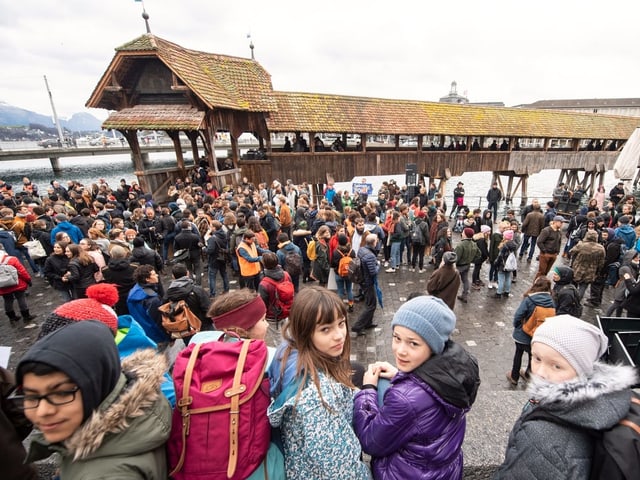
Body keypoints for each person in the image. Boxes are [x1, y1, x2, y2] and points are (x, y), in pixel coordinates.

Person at [16, 321, 171, 479]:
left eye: (62, 393)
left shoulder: (106, 474)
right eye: (32, 396)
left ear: (95, 384)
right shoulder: (143, 410)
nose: (42, 411)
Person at [495, 315, 638, 479]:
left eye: (557, 366)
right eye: (537, 358)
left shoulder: (543, 437)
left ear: (581, 370)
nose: (540, 372)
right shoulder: (607, 401)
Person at [353, 295, 480, 479]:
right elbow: (426, 398)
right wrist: (400, 375)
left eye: (413, 343)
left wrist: (367, 390)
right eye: (397, 338)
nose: (400, 350)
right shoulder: (454, 373)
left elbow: (370, 441)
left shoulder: (404, 400)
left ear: (433, 346)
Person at [267, 286, 371, 479]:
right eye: (325, 329)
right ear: (305, 332)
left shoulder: (288, 350)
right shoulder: (317, 397)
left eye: (341, 323)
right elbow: (343, 471)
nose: (339, 335)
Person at [506, 277, 555, 386]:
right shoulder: (551, 300)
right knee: (532, 355)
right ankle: (528, 374)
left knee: (518, 354)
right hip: (539, 335)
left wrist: (518, 326)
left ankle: (514, 377)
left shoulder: (529, 299)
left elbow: (518, 315)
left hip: (523, 333)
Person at [163, 263, 212, 342]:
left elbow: (165, 311)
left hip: (185, 329)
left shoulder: (168, 294)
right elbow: (208, 309)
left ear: (173, 276)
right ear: (187, 273)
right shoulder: (197, 290)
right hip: (202, 326)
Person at [127, 264, 169, 345]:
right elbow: (158, 322)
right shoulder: (152, 299)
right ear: (147, 279)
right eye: (153, 274)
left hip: (144, 333)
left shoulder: (133, 292)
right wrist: (168, 338)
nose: (157, 275)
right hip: (157, 336)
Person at [352, 234, 380, 335]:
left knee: (369, 302)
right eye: (376, 240)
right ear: (374, 242)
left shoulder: (361, 249)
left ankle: (368, 322)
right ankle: (358, 326)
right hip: (368, 282)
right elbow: (373, 272)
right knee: (371, 305)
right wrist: (378, 265)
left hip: (362, 280)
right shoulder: (370, 256)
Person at [258, 252, 293, 323]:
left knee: (276, 333)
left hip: (273, 315)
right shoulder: (286, 275)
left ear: (264, 265)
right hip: (286, 310)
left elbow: (263, 304)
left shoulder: (264, 284)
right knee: (286, 331)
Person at [454, 227, 480, 303]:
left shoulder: (460, 245)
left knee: (453, 281)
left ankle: (449, 295)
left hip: (459, 266)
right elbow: (479, 254)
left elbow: (456, 258)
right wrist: (471, 260)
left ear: (465, 234)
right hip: (467, 265)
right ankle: (464, 296)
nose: (462, 233)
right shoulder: (474, 244)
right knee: (465, 280)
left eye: (463, 232)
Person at [205, 220, 230, 297]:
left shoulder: (213, 238)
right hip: (222, 258)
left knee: (212, 277)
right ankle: (226, 290)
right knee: (224, 274)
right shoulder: (225, 234)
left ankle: (212, 294)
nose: (209, 227)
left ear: (214, 228)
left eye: (210, 226)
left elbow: (210, 250)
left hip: (214, 259)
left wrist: (204, 249)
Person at [494, 229, 518, 299]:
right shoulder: (514, 245)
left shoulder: (504, 246)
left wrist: (496, 263)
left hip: (502, 265)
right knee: (508, 278)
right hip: (509, 265)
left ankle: (499, 293)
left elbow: (500, 256)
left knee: (501, 279)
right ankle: (507, 292)